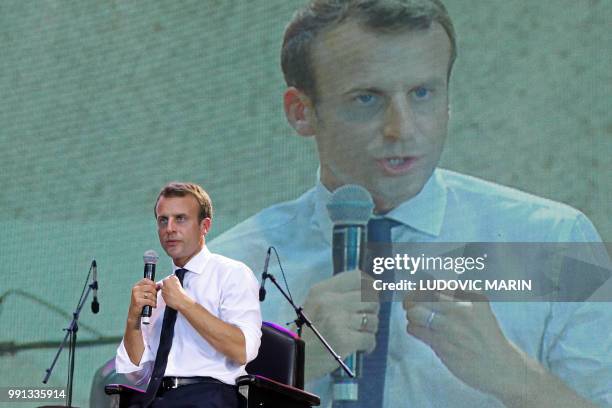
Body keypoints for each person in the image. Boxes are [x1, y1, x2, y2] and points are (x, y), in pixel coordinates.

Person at [209, 0, 612, 407]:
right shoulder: (225, 271)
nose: (401, 128)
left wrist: (512, 375)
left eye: (422, 93)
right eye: (367, 99)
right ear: (301, 113)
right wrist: (288, 366)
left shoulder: (559, 242)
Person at [115, 182, 262, 408]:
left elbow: (242, 350)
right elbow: (137, 373)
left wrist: (185, 304)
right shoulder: (160, 290)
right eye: (163, 220)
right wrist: (132, 319)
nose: (169, 228)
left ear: (205, 226)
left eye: (180, 219)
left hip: (209, 396)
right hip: (154, 398)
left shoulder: (231, 274)